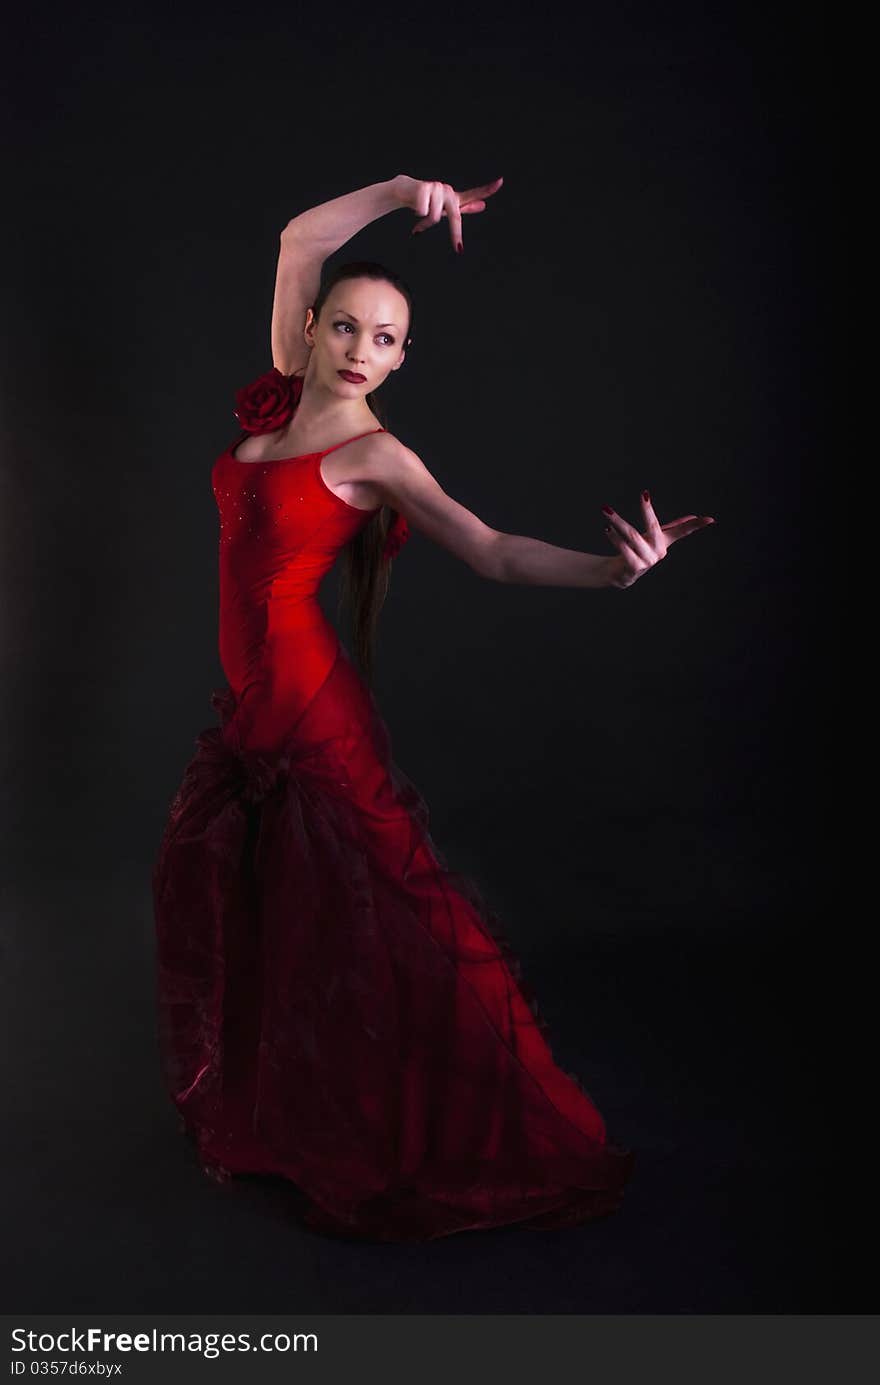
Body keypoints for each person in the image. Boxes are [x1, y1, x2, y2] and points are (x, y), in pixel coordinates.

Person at [152, 174, 716, 1243]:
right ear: (313, 330)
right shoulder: (279, 388)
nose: (364, 349)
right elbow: (298, 233)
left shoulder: (374, 455)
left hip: (311, 714)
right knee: (280, 919)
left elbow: (492, 548)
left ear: (403, 360)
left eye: (389, 339)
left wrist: (611, 572)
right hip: (252, 707)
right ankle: (291, 1117)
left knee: (389, 924)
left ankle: (472, 1113)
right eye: (350, 327)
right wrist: (406, 190)